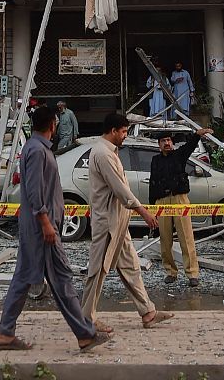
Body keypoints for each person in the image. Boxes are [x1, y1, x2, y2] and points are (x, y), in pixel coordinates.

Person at [0, 105, 107, 353]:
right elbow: (35, 191)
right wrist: (46, 222)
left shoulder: (35, 148)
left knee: (25, 279)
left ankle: (6, 332)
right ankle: (84, 334)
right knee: (61, 279)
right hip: (42, 230)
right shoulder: (37, 151)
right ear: (53, 125)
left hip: (39, 228)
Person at [81, 111, 173, 330]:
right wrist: (143, 212)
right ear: (113, 131)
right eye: (123, 132)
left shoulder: (110, 151)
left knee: (131, 266)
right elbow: (120, 189)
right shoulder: (102, 153)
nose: (125, 136)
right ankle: (85, 319)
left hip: (119, 220)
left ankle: (148, 312)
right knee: (98, 270)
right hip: (108, 222)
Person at [149, 129, 213, 286]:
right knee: (165, 239)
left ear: (172, 142)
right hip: (162, 201)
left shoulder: (179, 155)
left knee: (186, 237)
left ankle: (192, 274)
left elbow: (190, 146)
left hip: (179, 199)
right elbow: (152, 182)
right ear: (159, 145)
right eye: (163, 141)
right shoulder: (156, 160)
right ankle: (170, 272)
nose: (167, 143)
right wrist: (152, 209)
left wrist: (197, 134)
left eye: (169, 140)